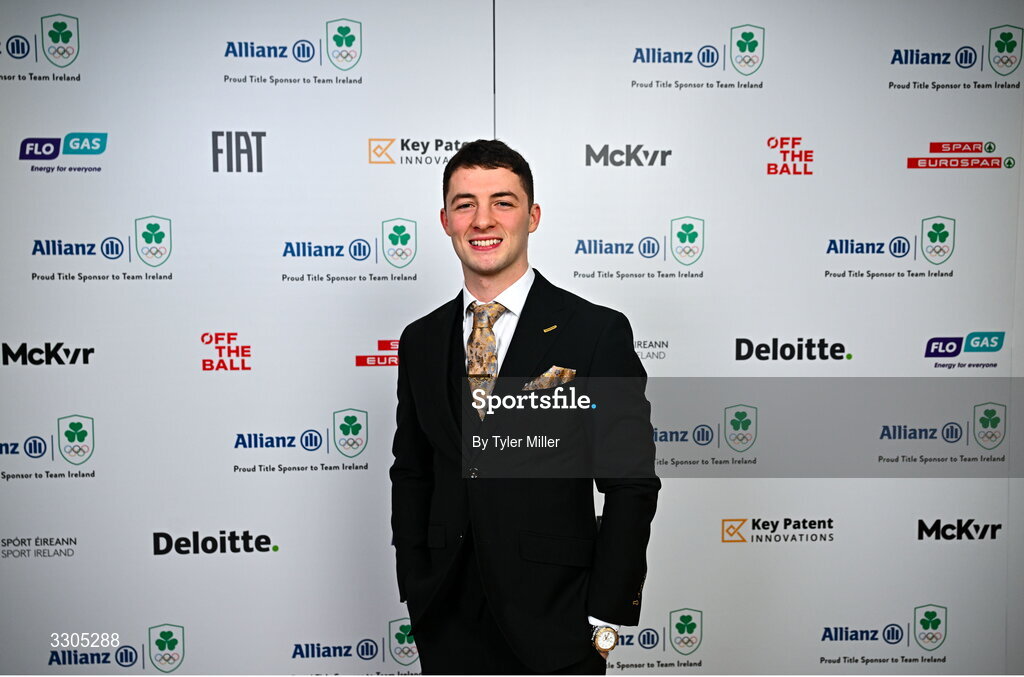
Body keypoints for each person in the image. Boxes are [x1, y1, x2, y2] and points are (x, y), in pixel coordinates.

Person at [390, 139, 660, 674]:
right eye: (465, 203)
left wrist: (603, 611)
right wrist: (416, 584)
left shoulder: (595, 332)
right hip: (445, 614)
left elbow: (630, 483)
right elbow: (412, 473)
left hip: (555, 615)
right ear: (445, 220)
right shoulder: (419, 340)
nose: (482, 219)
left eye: (503, 202)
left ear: (532, 216)